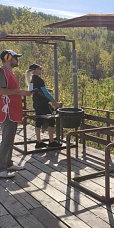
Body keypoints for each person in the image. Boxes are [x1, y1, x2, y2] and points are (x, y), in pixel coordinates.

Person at [0, 50, 33, 178]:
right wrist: (20, 93)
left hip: (12, 110)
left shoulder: (9, 73)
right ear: (8, 58)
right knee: (6, 139)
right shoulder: (2, 72)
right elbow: (1, 90)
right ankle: (1, 168)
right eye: (15, 57)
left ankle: (7, 163)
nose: (17, 60)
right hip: (6, 110)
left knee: (10, 138)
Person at [25, 63, 61, 148]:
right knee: (51, 120)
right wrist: (54, 102)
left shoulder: (32, 80)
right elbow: (45, 93)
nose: (41, 70)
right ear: (35, 71)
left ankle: (38, 141)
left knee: (39, 120)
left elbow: (34, 90)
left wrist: (46, 90)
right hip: (42, 103)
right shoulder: (39, 80)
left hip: (36, 103)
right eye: (39, 69)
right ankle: (51, 141)